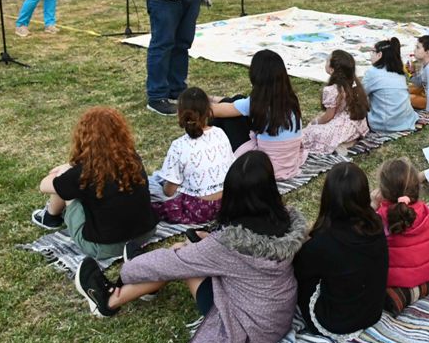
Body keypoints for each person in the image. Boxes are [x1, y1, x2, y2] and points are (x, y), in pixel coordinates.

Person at [82, 152, 305, 343]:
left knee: (179, 256)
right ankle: (147, 285)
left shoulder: (226, 245)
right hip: (278, 316)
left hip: (248, 330)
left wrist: (131, 268)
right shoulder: (287, 223)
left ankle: (109, 300)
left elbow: (173, 263)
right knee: (187, 253)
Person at [31, 107, 157, 259]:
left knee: (63, 184)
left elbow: (44, 186)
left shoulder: (83, 173)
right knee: (70, 185)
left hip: (103, 247)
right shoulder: (132, 159)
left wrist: (65, 170)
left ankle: (50, 217)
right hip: (145, 235)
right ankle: (51, 215)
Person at [295, 163, 388, 338]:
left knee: (301, 280)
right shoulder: (375, 224)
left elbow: (298, 270)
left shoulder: (323, 243)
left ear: (328, 198)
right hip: (373, 312)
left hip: (336, 322)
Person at [210, 49, 306, 180]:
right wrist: (215, 98)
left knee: (227, 116)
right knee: (237, 99)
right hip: (289, 162)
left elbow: (217, 111)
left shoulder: (255, 102)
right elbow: (239, 103)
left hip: (264, 166)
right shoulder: (290, 99)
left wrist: (194, 99)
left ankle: (206, 146)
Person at [149, 87, 233, 225]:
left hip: (198, 210)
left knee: (151, 186)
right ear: (209, 111)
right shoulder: (220, 133)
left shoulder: (179, 146)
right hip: (226, 203)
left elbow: (169, 191)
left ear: (180, 113)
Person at [372, 157, 429, 289]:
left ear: (383, 192)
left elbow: (358, 236)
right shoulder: (425, 211)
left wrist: (373, 205)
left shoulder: (380, 217)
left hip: (395, 279)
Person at [302, 50, 371, 155]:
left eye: (327, 61)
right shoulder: (354, 83)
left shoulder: (332, 90)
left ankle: (338, 144)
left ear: (331, 70)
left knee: (308, 133)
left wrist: (315, 122)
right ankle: (348, 142)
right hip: (357, 125)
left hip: (343, 127)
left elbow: (328, 117)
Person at [362, 37, 418, 132]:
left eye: (372, 51)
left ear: (379, 55)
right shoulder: (399, 71)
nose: (370, 54)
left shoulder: (372, 72)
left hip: (384, 124)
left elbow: (361, 95)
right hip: (406, 120)